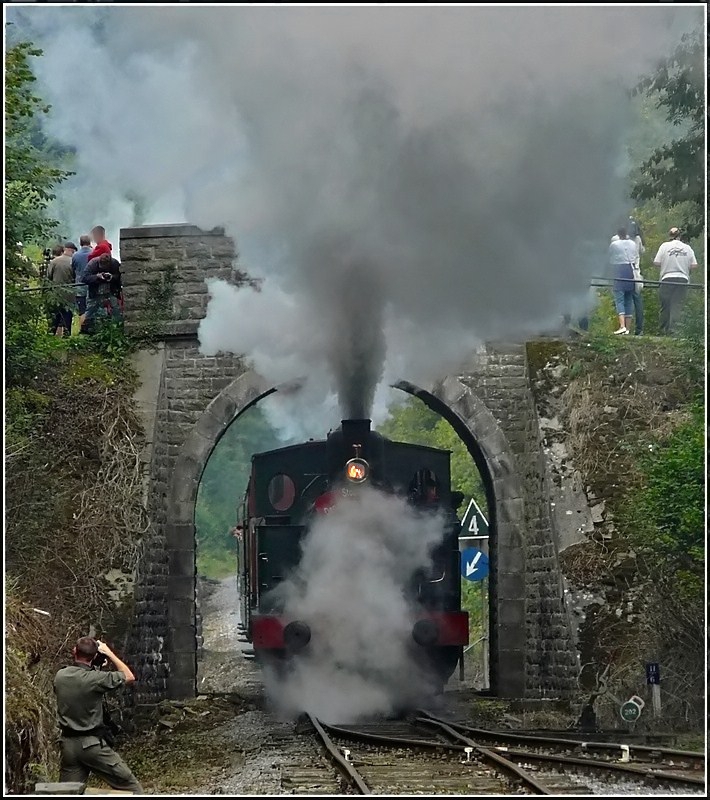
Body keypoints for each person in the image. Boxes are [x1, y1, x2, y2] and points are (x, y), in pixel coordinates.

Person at [53, 637, 143, 793]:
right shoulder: (96, 679)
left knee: (67, 792)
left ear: (74, 651)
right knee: (132, 788)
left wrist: (94, 666)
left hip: (68, 746)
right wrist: (109, 653)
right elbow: (129, 676)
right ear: (95, 656)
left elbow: (80, 678)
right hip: (92, 746)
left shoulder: (60, 676)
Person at [654, 227, 698, 334]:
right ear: (679, 236)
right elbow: (694, 265)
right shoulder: (687, 248)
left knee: (665, 305)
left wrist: (667, 263)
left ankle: (662, 330)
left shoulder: (664, 246)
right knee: (677, 305)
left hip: (667, 278)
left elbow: (656, 262)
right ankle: (674, 331)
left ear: (670, 235)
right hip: (682, 279)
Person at [611, 230, 644, 335]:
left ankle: (622, 326)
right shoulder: (632, 243)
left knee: (619, 299)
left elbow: (610, 257)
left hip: (619, 269)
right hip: (631, 270)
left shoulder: (614, 244)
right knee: (628, 300)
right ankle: (628, 328)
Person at [81, 253, 115, 333]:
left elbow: (119, 276)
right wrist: (97, 277)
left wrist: (112, 277)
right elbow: (84, 278)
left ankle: (108, 330)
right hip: (94, 293)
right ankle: (86, 331)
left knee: (113, 312)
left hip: (109, 293)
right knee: (90, 313)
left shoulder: (114, 263)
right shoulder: (92, 264)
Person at [47, 244, 75, 337]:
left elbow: (49, 276)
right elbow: (75, 276)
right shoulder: (72, 262)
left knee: (55, 314)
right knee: (67, 314)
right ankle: (67, 334)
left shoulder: (54, 261)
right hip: (69, 292)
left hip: (56, 292)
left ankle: (51, 333)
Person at [71, 235, 93, 324]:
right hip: (92, 285)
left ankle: (83, 328)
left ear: (80, 243)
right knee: (92, 308)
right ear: (90, 242)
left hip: (80, 286)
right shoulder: (94, 253)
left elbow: (73, 269)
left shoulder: (75, 256)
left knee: (82, 310)